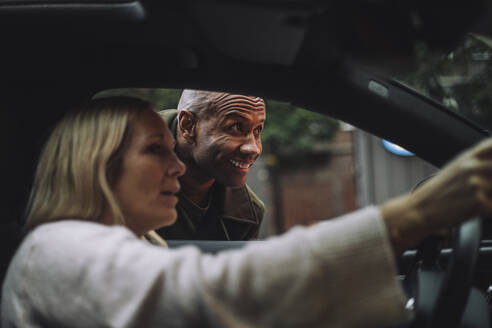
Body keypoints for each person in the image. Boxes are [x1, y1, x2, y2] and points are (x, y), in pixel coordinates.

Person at [3, 96, 492, 327]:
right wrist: (412, 216)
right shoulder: (55, 249)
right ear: (97, 165)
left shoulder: (136, 241)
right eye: (156, 150)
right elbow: (206, 293)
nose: (177, 166)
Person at [156, 90, 265, 241]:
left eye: (257, 130)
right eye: (236, 127)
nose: (253, 148)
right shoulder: (121, 170)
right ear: (188, 125)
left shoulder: (249, 214)